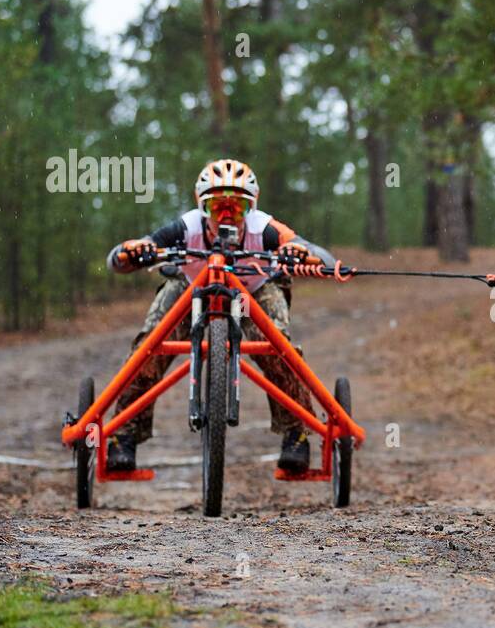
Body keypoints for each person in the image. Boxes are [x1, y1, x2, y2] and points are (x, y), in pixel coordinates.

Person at [104, 158, 336, 474]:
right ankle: (124, 435)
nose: (226, 217)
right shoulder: (185, 228)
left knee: (280, 349)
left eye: (237, 208)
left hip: (252, 291)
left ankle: (297, 433)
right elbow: (125, 255)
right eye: (217, 208)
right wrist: (133, 251)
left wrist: (298, 252)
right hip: (191, 289)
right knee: (149, 346)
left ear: (251, 208)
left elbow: (322, 256)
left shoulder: (264, 229)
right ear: (202, 208)